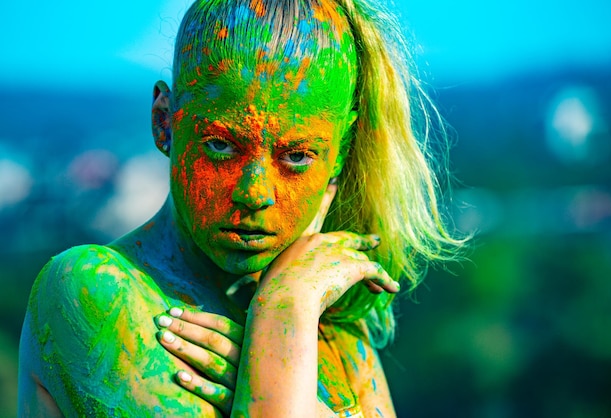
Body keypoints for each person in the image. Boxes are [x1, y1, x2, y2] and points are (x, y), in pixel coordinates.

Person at [18, 0, 463, 416]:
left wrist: (284, 329)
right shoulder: (93, 291)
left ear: (341, 153)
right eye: (221, 145)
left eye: (296, 156)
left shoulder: (338, 330)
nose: (254, 192)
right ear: (164, 121)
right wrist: (283, 316)